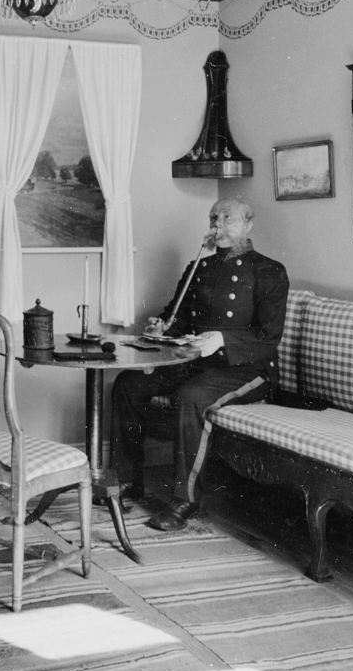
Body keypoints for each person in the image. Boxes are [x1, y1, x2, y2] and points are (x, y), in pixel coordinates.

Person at [110, 198, 288, 531]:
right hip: (196, 364)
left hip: (247, 369)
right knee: (128, 385)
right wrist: (162, 327)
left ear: (248, 225)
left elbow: (269, 336)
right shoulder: (199, 267)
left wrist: (222, 339)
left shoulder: (268, 270)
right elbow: (177, 319)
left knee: (191, 396)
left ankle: (185, 500)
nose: (218, 224)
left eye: (228, 218)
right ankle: (126, 482)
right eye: (214, 217)